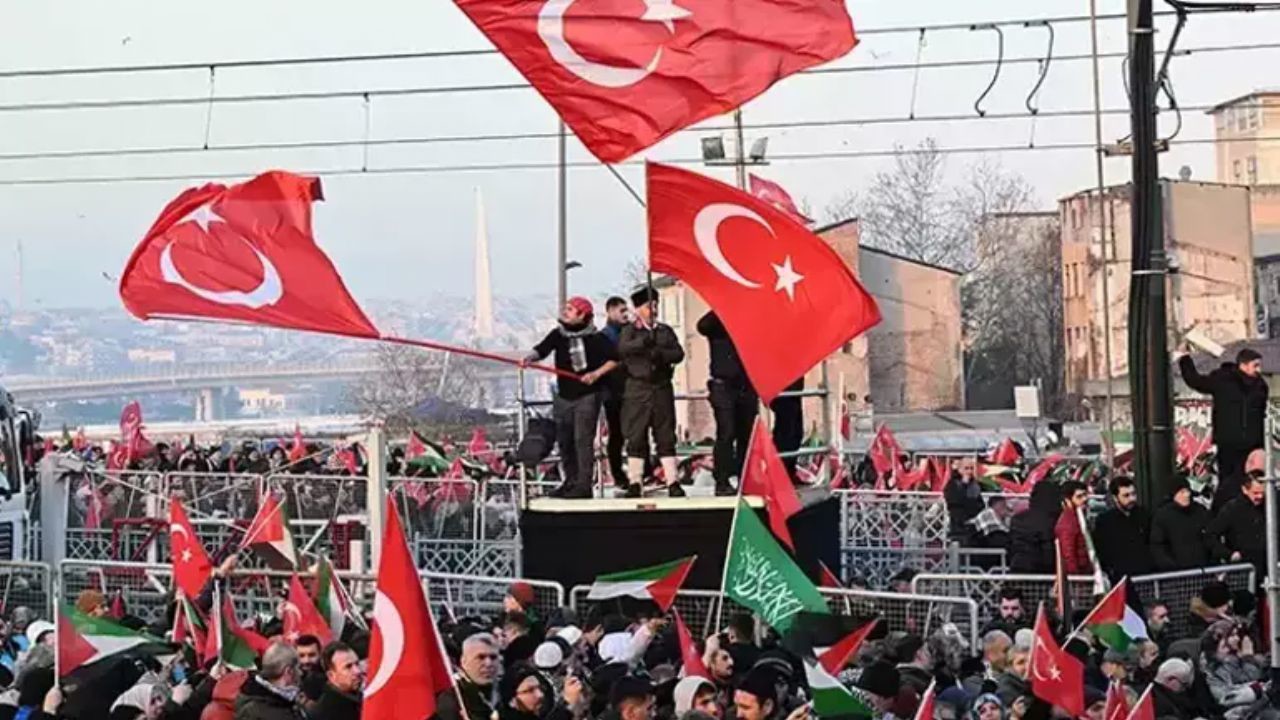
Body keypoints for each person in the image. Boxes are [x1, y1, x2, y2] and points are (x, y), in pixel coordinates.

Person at [525, 296, 620, 499]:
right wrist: (529, 358)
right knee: (565, 440)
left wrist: (595, 374)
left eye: (570, 309)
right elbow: (541, 349)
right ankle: (570, 481)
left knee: (582, 440)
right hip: (564, 396)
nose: (565, 312)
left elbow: (615, 359)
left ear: (582, 315)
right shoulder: (558, 334)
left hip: (588, 395)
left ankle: (584, 485)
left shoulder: (596, 338)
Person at [1177, 346, 1268, 511]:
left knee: (1253, 481)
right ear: (1243, 365)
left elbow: (1261, 414)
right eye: (1255, 365)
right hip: (1229, 443)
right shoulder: (1223, 379)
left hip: (1252, 445)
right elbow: (1196, 381)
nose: (1258, 370)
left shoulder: (1260, 386)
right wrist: (1185, 359)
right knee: (1228, 483)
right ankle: (1224, 512)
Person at [617, 286, 685, 498]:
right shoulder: (630, 331)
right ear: (639, 309)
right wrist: (644, 343)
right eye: (649, 306)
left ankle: (672, 480)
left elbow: (678, 353)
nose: (653, 309)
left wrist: (660, 354)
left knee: (665, 435)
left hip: (661, 387)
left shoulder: (664, 331)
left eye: (655, 305)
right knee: (636, 435)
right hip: (638, 389)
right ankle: (635, 481)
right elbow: (623, 349)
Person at [697, 311, 757, 497]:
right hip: (723, 384)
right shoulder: (716, 324)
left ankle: (745, 478)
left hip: (746, 384)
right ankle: (722, 481)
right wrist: (723, 309)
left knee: (747, 434)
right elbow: (703, 326)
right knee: (726, 432)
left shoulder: (749, 322)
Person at [1205, 472, 1268, 584]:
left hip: (1267, 567)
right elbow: (1210, 535)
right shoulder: (1232, 509)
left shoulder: (1270, 506)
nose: (1260, 497)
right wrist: (1229, 554)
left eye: (1263, 493)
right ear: (1244, 489)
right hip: (1242, 571)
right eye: (1256, 493)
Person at [1093, 476, 1154, 584]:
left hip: (1144, 575)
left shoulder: (1144, 515)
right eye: (1126, 495)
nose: (1132, 499)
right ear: (1115, 498)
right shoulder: (1105, 521)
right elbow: (1102, 550)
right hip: (1119, 578)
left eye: (1133, 494)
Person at [600, 296, 631, 490]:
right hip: (613, 391)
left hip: (630, 389)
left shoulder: (629, 332)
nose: (625, 315)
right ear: (610, 311)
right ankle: (618, 474)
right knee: (617, 434)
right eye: (622, 311)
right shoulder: (605, 337)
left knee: (635, 431)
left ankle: (640, 471)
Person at [1150, 478, 1212, 571]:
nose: (1187, 495)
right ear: (1173, 494)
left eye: (1188, 491)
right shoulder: (1162, 516)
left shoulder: (1200, 511)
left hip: (1203, 570)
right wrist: (1172, 567)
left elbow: (1211, 537)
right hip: (1177, 573)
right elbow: (1158, 547)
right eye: (1182, 492)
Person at [235, 642, 306, 720]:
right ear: (288, 671)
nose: (301, 673)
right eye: (298, 668)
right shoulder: (254, 711)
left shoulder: (285, 701)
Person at [438, 633, 501, 720]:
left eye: (493, 657)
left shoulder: (507, 691)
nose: (488, 663)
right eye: (481, 657)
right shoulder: (452, 698)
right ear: (464, 662)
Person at [1008, 481, 1061, 573]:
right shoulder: (1054, 520)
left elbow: (1011, 544)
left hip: (1018, 567)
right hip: (1046, 570)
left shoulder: (1017, 519)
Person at [311, 642, 362, 720]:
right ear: (331, 676)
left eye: (357, 664)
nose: (358, 671)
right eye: (348, 667)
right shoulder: (327, 713)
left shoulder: (358, 699)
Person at [1054, 480, 1092, 575]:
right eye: (1079, 496)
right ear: (1067, 500)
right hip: (1080, 576)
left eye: (1085, 495)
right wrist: (1077, 578)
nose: (1085, 499)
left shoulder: (1080, 517)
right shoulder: (1068, 523)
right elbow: (1069, 556)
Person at [770, 378, 805, 481]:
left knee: (796, 433)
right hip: (781, 390)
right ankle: (781, 473)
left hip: (794, 390)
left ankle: (789, 471)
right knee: (786, 433)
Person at [944, 457, 984, 541]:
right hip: (958, 525)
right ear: (960, 470)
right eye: (966, 468)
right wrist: (964, 486)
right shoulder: (953, 484)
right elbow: (953, 502)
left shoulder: (975, 485)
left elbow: (980, 504)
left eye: (971, 468)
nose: (969, 471)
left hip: (974, 525)